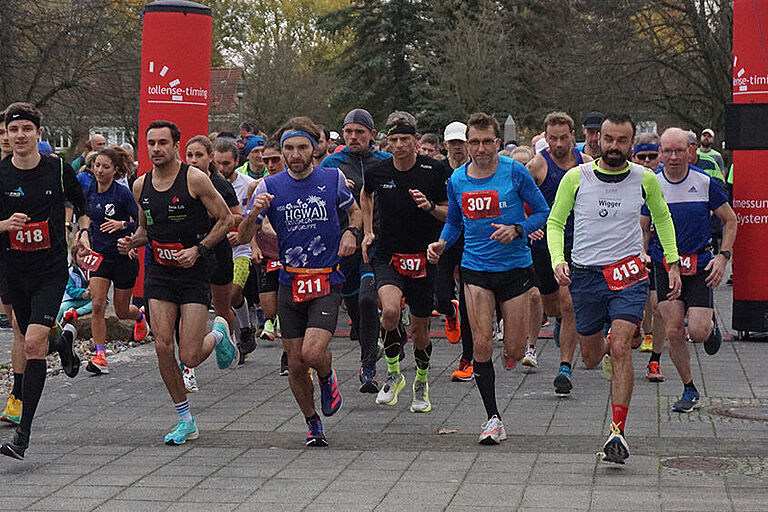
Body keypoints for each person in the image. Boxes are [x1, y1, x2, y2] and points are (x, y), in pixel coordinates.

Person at [547, 113, 681, 464]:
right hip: (586, 276)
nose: (614, 147)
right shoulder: (576, 178)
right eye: (608, 140)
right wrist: (557, 260)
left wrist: (672, 261)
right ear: (596, 139)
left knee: (621, 346)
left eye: (622, 141)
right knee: (591, 358)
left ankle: (617, 432)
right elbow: (555, 222)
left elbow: (662, 217)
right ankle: (608, 351)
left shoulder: (644, 179)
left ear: (631, 144)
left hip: (627, 275)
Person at [427, 112, 549, 444]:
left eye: (486, 142)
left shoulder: (515, 172)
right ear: (466, 144)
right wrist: (441, 242)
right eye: (474, 142)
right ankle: (492, 419)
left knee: (511, 352)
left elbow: (542, 212)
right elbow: (454, 223)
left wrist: (518, 228)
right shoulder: (457, 180)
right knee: (481, 344)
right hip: (475, 269)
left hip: (514, 269)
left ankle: (509, 342)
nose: (480, 148)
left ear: (497, 142)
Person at [118, 120, 236, 446]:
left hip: (194, 270)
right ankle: (185, 418)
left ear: (175, 146)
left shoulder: (195, 180)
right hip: (160, 272)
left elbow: (226, 220)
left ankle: (220, 333)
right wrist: (131, 242)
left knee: (190, 356)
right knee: (161, 345)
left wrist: (198, 249)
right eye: (151, 143)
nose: (156, 149)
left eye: (162, 143)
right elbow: (145, 230)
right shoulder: (140, 185)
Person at [244, 117, 360, 446]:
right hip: (289, 281)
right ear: (281, 153)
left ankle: (326, 375)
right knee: (295, 363)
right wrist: (254, 214)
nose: (295, 154)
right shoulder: (269, 187)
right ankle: (313, 422)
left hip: (326, 278)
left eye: (302, 148)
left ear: (314, 150)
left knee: (311, 352)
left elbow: (355, 213)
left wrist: (352, 232)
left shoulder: (332, 178)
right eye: (289, 149)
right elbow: (240, 235)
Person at [0, 103, 91, 460]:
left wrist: (82, 235)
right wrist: (4, 226)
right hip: (13, 269)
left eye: (26, 129)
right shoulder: (1, 173)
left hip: (51, 269)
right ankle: (63, 342)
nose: (19, 135)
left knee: (32, 343)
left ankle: (22, 434)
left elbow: (82, 209)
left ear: (39, 133)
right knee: (29, 335)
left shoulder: (58, 169)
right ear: (6, 136)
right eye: (13, 130)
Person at [641, 127, 737, 413]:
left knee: (696, 331)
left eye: (679, 151)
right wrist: (642, 252)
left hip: (698, 263)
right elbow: (643, 226)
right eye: (667, 151)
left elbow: (730, 221)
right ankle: (689, 388)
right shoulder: (652, 184)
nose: (673, 157)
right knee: (672, 330)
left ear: (690, 151)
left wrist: (723, 258)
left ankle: (710, 329)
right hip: (664, 262)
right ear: (660, 153)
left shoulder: (705, 182)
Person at [361, 110, 450, 413]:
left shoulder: (434, 171)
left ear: (415, 140)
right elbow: (366, 195)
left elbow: (449, 212)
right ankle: (394, 374)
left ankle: (421, 381)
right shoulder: (377, 170)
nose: (398, 145)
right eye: (393, 139)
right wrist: (368, 231)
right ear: (387, 141)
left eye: (404, 139)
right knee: (389, 311)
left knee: (421, 329)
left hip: (424, 256)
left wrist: (428, 207)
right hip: (388, 254)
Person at [321, 108, 391, 393]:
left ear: (372, 135)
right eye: (348, 131)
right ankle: (372, 339)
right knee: (354, 303)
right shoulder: (332, 163)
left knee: (366, 299)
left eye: (359, 132)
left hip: (376, 241)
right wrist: (335, 188)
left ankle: (368, 368)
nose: (353, 137)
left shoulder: (385, 162)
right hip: (345, 242)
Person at [526, 112, 591, 393]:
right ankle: (561, 324)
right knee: (552, 307)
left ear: (573, 135)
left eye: (564, 137)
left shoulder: (587, 164)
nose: (559, 143)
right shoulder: (538, 165)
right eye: (553, 138)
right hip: (545, 245)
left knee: (568, 303)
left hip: (577, 244)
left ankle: (565, 367)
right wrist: (527, 227)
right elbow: (518, 198)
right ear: (546, 137)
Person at [82, 147, 147, 375]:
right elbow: (85, 219)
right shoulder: (89, 190)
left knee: (120, 311)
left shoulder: (122, 194)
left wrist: (123, 226)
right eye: (96, 166)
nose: (99, 170)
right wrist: (82, 236)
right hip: (99, 257)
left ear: (115, 170)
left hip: (123, 256)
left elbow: (141, 224)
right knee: (98, 304)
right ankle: (100, 355)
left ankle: (138, 315)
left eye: (105, 167)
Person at [242, 140, 285, 372]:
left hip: (292, 255)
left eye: (274, 159)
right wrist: (254, 246)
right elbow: (250, 221)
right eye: (265, 159)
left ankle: (288, 356)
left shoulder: (297, 183)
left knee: (289, 309)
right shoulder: (257, 186)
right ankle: (271, 323)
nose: (269, 164)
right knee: (269, 308)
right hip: (267, 253)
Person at [214, 139, 258, 363]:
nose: (222, 168)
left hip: (241, 249)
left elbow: (252, 218)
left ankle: (245, 329)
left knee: (232, 293)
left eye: (227, 164)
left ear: (236, 162)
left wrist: (239, 233)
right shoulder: (208, 184)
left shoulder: (248, 184)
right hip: (217, 249)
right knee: (223, 299)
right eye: (218, 163)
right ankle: (240, 331)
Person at [440, 121, 474, 382]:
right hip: (444, 239)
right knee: (439, 298)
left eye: (461, 143)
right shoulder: (437, 171)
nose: (457, 148)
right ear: (446, 146)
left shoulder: (476, 171)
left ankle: (467, 358)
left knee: (469, 302)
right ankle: (449, 312)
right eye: (452, 144)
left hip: (471, 242)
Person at [632, 132, 666, 381]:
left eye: (652, 156)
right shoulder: (628, 178)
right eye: (641, 156)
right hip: (631, 249)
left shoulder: (665, 179)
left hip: (665, 252)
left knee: (658, 304)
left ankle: (655, 359)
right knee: (644, 301)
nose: (646, 161)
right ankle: (643, 334)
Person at [58, 245, 93, 323]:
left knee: (100, 303)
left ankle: (74, 313)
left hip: (89, 299)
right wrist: (83, 292)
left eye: (87, 256)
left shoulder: (94, 270)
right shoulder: (70, 272)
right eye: (81, 256)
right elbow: (70, 289)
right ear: (74, 258)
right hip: (72, 300)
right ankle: (53, 327)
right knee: (62, 307)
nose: (84, 259)